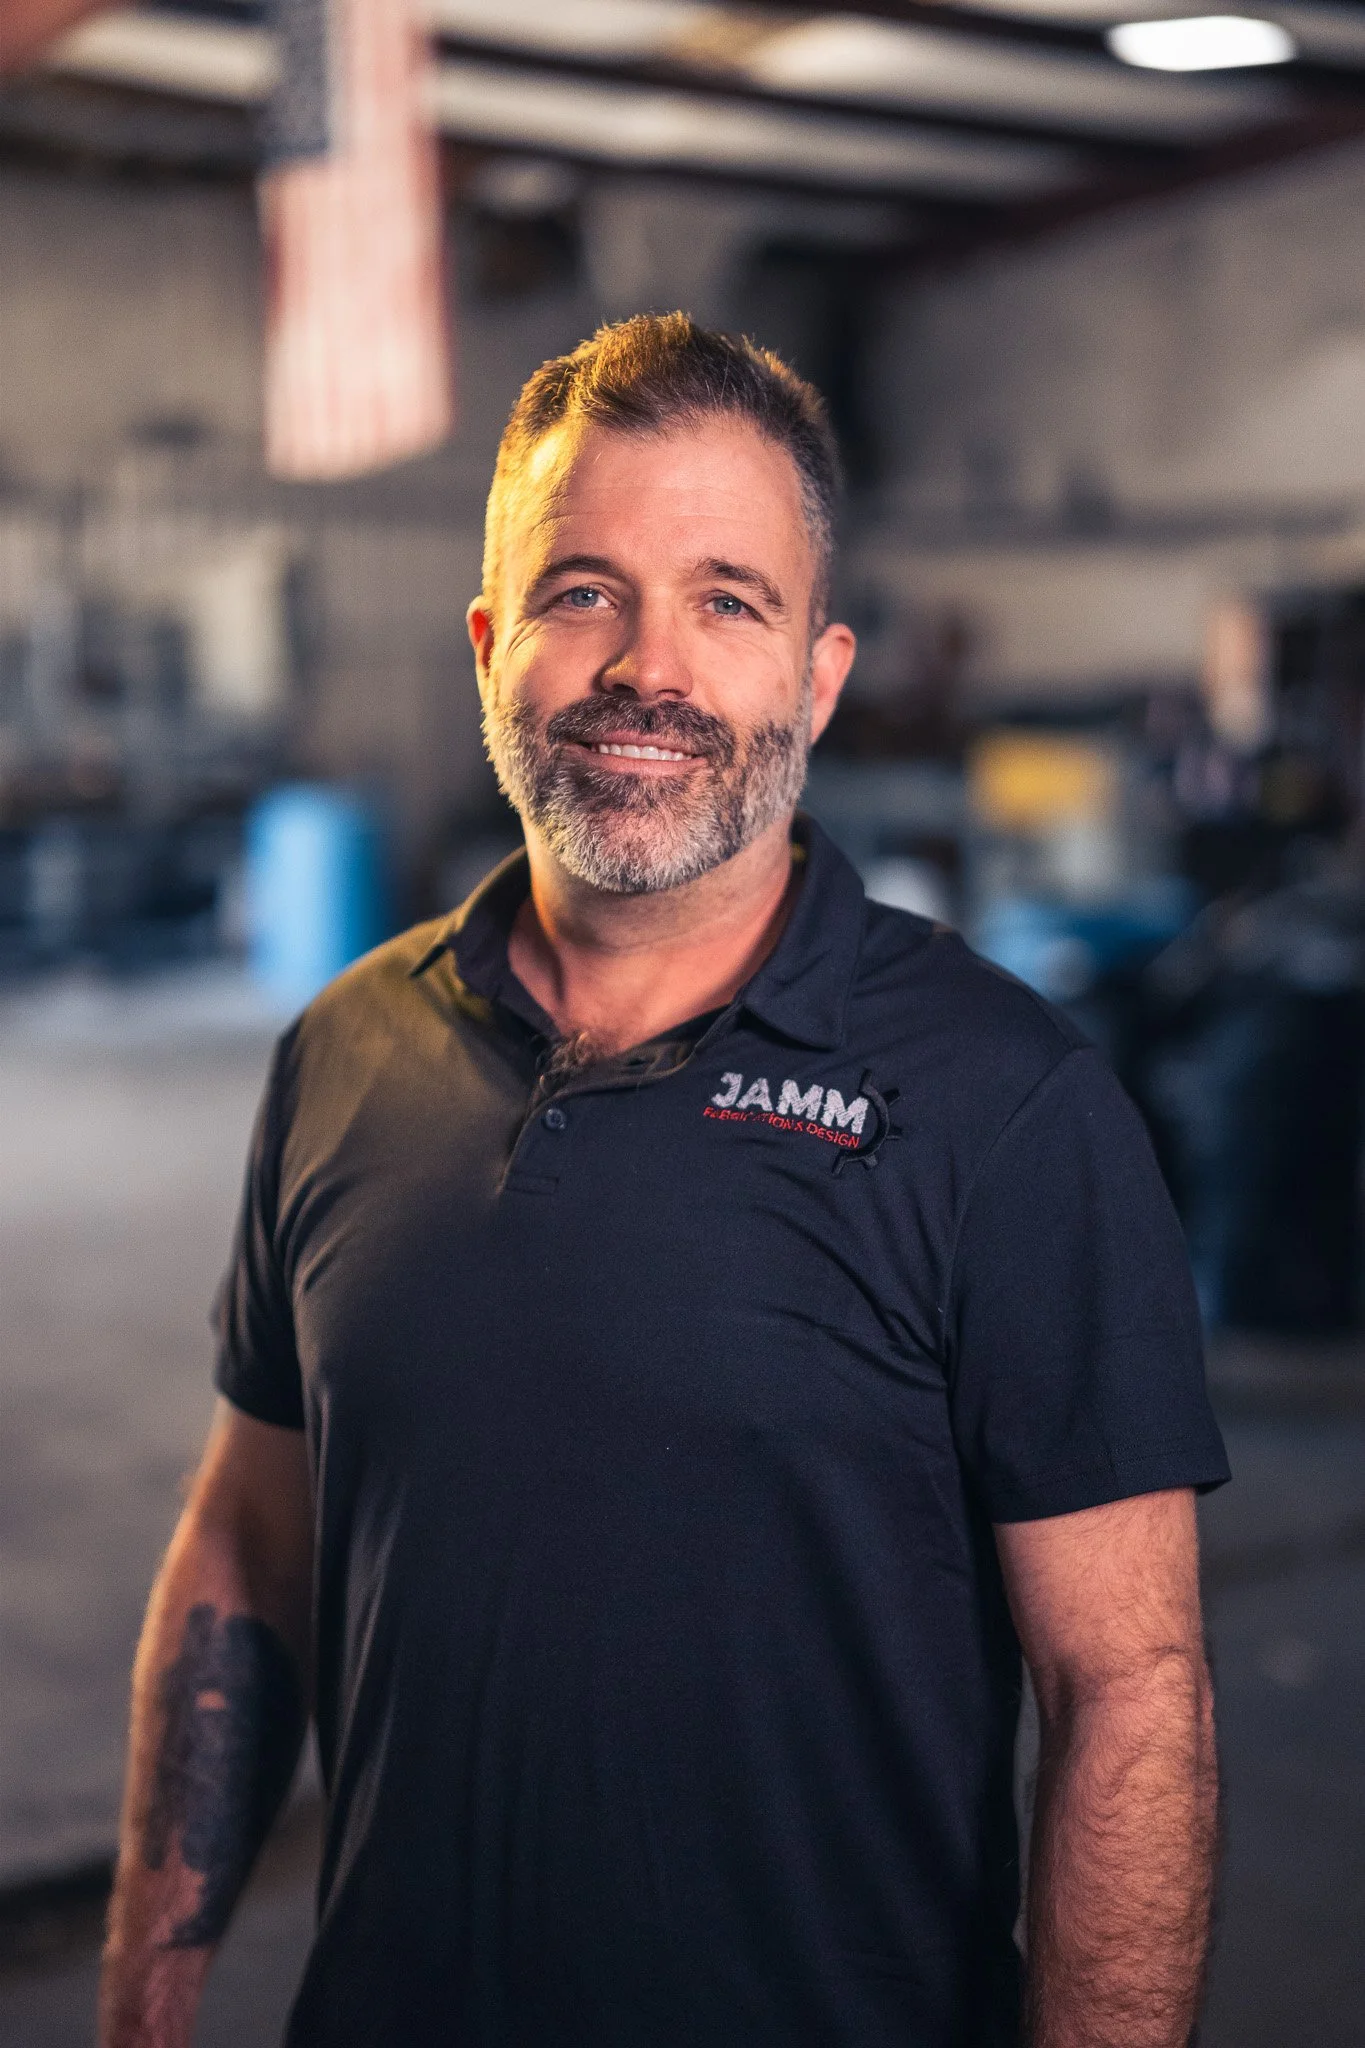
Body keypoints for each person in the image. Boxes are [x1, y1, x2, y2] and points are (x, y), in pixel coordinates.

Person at [100, 313, 1229, 2048]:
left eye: (728, 600)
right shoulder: (342, 1052)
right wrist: (146, 1988)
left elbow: (1128, 1694)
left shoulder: (1006, 1107)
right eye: (583, 591)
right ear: (491, 644)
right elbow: (249, 1544)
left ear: (820, 679)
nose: (650, 666)